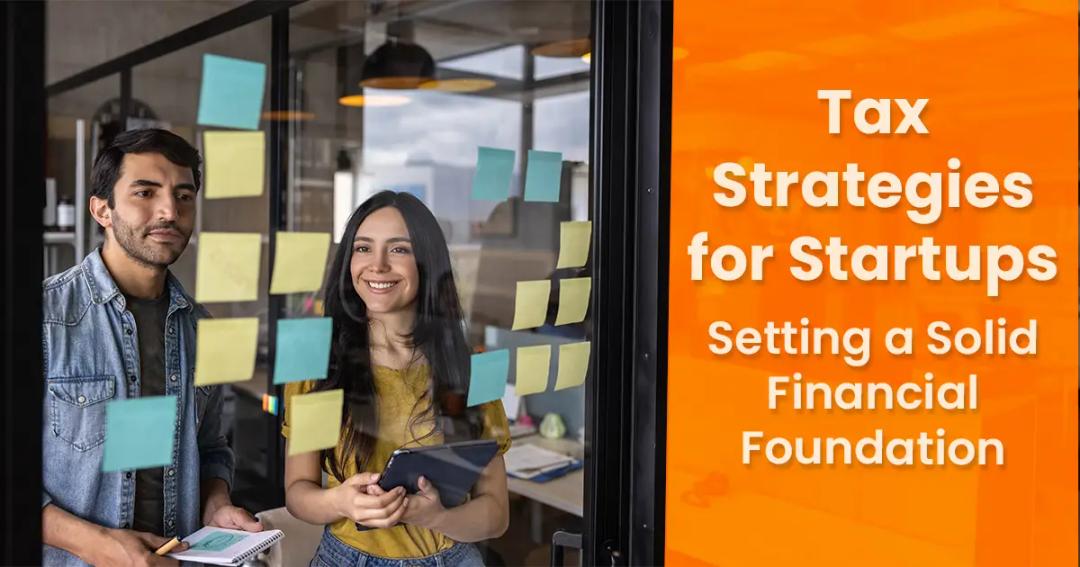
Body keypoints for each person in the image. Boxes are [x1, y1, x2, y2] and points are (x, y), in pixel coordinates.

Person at [40, 129, 261, 566]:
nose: (169, 211)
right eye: (145, 192)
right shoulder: (44, 318)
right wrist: (98, 544)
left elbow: (211, 447)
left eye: (184, 196)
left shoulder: (201, 328)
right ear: (102, 210)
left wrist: (216, 503)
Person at [283, 191, 511, 567]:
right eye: (363, 248)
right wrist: (340, 501)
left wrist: (437, 517)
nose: (378, 265)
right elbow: (297, 491)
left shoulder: (467, 368)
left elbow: (497, 514)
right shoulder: (322, 367)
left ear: (426, 262)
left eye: (399, 249)